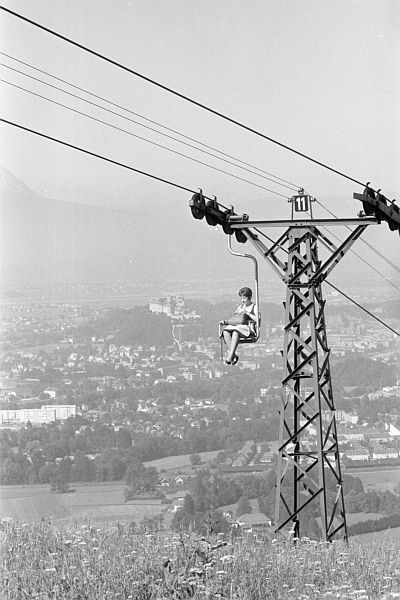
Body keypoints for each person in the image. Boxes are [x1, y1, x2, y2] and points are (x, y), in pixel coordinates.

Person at [220, 287, 257, 365]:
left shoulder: (254, 307)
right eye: (241, 298)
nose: (243, 300)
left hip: (247, 327)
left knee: (235, 332)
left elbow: (257, 319)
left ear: (249, 297)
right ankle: (233, 354)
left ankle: (230, 356)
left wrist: (247, 313)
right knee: (226, 331)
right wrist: (226, 322)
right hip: (237, 326)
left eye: (244, 298)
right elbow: (234, 319)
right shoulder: (240, 307)